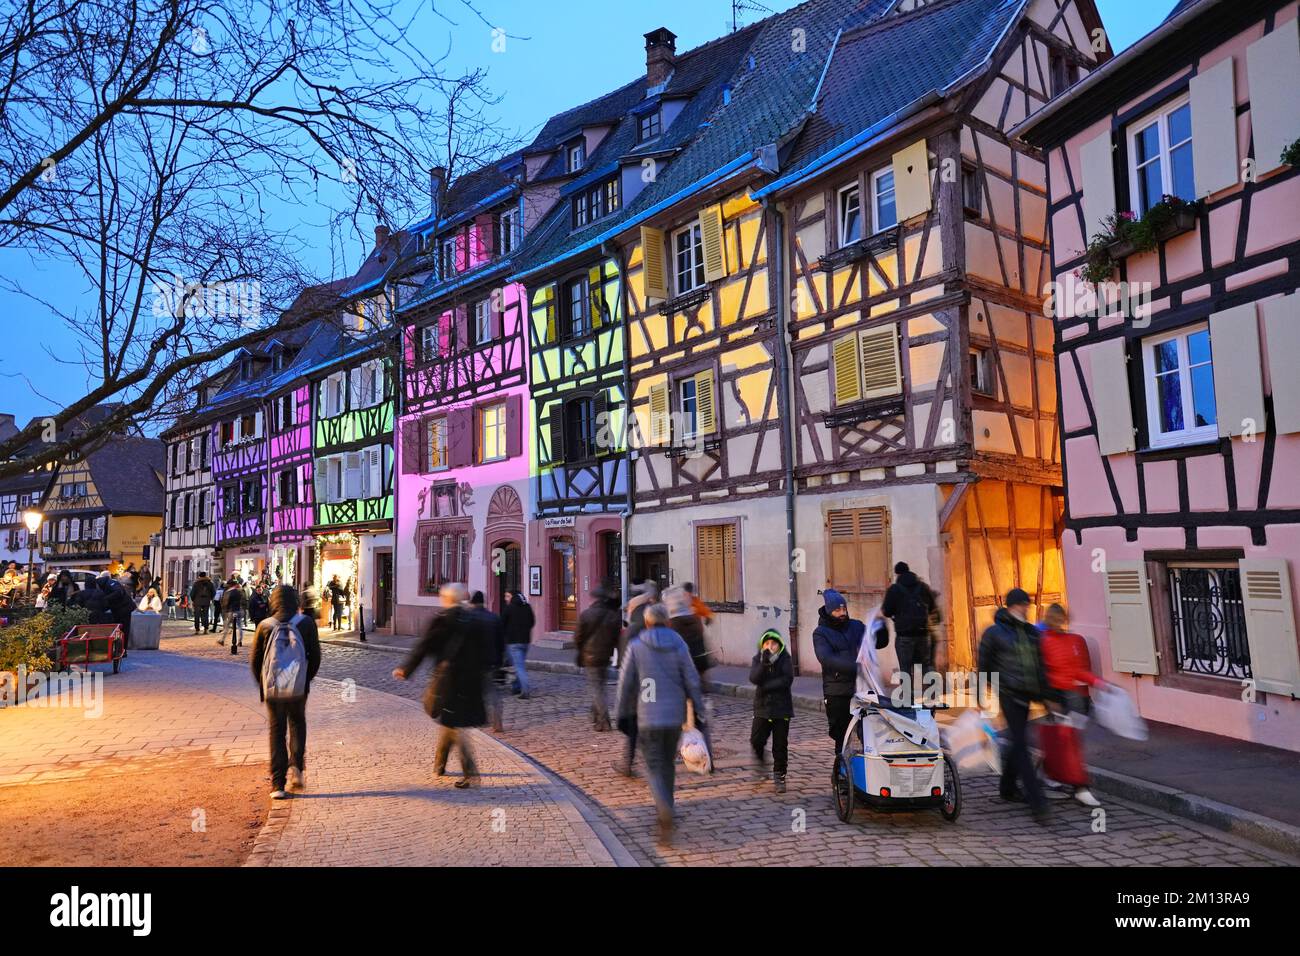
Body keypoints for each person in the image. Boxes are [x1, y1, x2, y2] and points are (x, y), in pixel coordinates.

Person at [615, 602, 704, 845]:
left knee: (654, 767)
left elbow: (624, 683)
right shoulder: (679, 644)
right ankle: (669, 805)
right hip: (673, 716)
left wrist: (621, 713)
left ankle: (664, 809)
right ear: (667, 621)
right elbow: (692, 678)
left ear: (646, 622)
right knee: (667, 764)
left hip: (647, 717)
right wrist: (699, 708)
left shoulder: (636, 646)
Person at [393, 583, 487, 788]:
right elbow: (485, 650)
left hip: (450, 680)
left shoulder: (443, 620)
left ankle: (470, 773)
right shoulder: (475, 620)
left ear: (447, 599)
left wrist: (406, 668)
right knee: (450, 720)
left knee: (454, 723)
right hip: (471, 680)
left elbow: (424, 646)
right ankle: (439, 764)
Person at [979, 587, 1056, 823]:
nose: (1026, 608)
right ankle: (1037, 803)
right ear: (1011, 606)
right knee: (1022, 746)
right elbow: (983, 665)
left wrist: (1048, 697)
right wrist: (982, 698)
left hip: (1029, 693)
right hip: (1009, 694)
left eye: (1027, 605)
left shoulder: (1032, 633)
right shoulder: (994, 633)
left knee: (1016, 740)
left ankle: (1007, 787)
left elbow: (1040, 666)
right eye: (1022, 605)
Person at [249, 585, 321, 799]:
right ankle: (297, 767)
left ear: (273, 602)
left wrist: (264, 685)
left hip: (273, 689)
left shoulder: (264, 625)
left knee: (277, 731)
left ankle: (277, 784)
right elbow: (315, 657)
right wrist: (304, 679)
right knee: (298, 724)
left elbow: (255, 661)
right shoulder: (306, 623)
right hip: (298, 687)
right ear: (295, 601)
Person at [1041, 603, 1104, 808]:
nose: (1060, 623)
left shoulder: (1073, 640)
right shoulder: (1043, 642)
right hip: (1057, 699)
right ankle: (1080, 787)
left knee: (1065, 743)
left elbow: (1078, 670)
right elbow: (1041, 674)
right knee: (1069, 744)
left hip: (1076, 698)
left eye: (1062, 619)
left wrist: (1098, 683)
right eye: (1056, 619)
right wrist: (1049, 700)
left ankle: (1045, 772)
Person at [812, 588, 865, 756]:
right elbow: (826, 658)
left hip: (861, 689)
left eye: (844, 609)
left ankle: (865, 774)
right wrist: (855, 667)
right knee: (841, 737)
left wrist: (880, 632)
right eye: (837, 610)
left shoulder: (856, 626)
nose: (842, 613)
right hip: (837, 691)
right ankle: (841, 774)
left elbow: (874, 642)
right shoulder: (820, 633)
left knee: (868, 733)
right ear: (829, 611)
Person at [881, 561, 939, 700]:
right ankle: (932, 693)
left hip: (904, 636)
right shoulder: (923, 587)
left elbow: (887, 611)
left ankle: (907, 697)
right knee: (926, 664)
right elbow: (931, 607)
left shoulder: (894, 589)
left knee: (906, 667)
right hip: (923, 634)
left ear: (897, 573)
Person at [749, 628, 794, 793]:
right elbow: (754, 678)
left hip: (781, 709)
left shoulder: (785, 659)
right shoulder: (758, 659)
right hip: (762, 708)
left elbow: (787, 679)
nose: (770, 646)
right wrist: (763, 663)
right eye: (767, 643)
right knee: (756, 740)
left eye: (773, 643)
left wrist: (766, 686)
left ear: (779, 645)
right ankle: (762, 763)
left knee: (780, 745)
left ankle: (779, 776)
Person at [573, 582, 621, 732]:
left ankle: (603, 720)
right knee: (600, 685)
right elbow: (616, 638)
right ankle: (595, 713)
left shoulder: (587, 614)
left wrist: (580, 649)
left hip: (590, 656)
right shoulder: (613, 616)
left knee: (597, 688)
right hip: (605, 655)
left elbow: (578, 636)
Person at [469, 590, 505, 733]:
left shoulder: (470, 618)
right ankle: (497, 722)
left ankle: (478, 720)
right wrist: (500, 660)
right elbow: (501, 642)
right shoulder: (494, 618)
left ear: (473, 603)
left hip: (474, 662)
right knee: (493, 692)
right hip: (492, 661)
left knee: (475, 692)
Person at [502, 590, 535, 699]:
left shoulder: (509, 608)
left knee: (519, 666)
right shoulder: (527, 607)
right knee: (519, 665)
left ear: (513, 596)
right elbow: (532, 622)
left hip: (513, 642)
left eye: (507, 596)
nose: (506, 599)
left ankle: (525, 690)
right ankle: (516, 686)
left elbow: (502, 623)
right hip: (525, 641)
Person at [221, 575, 246, 653]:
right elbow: (244, 600)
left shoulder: (229, 592)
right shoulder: (240, 591)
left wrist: (225, 609)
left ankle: (222, 640)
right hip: (239, 610)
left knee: (227, 626)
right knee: (239, 626)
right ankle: (240, 641)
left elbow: (226, 602)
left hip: (231, 611)